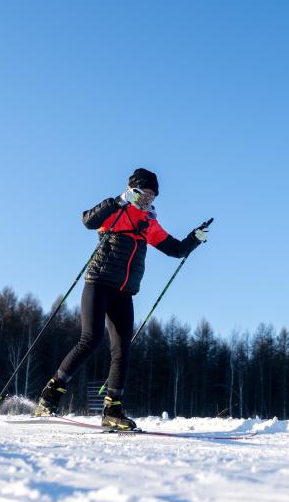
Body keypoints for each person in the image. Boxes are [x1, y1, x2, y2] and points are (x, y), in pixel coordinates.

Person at [34, 168, 209, 429]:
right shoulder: (117, 210)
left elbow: (175, 250)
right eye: (144, 193)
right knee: (90, 339)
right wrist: (117, 201)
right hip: (98, 284)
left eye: (152, 196)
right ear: (132, 190)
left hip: (124, 293)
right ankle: (49, 396)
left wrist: (194, 238)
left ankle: (112, 410)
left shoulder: (149, 223)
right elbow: (88, 221)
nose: (148, 199)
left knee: (122, 349)